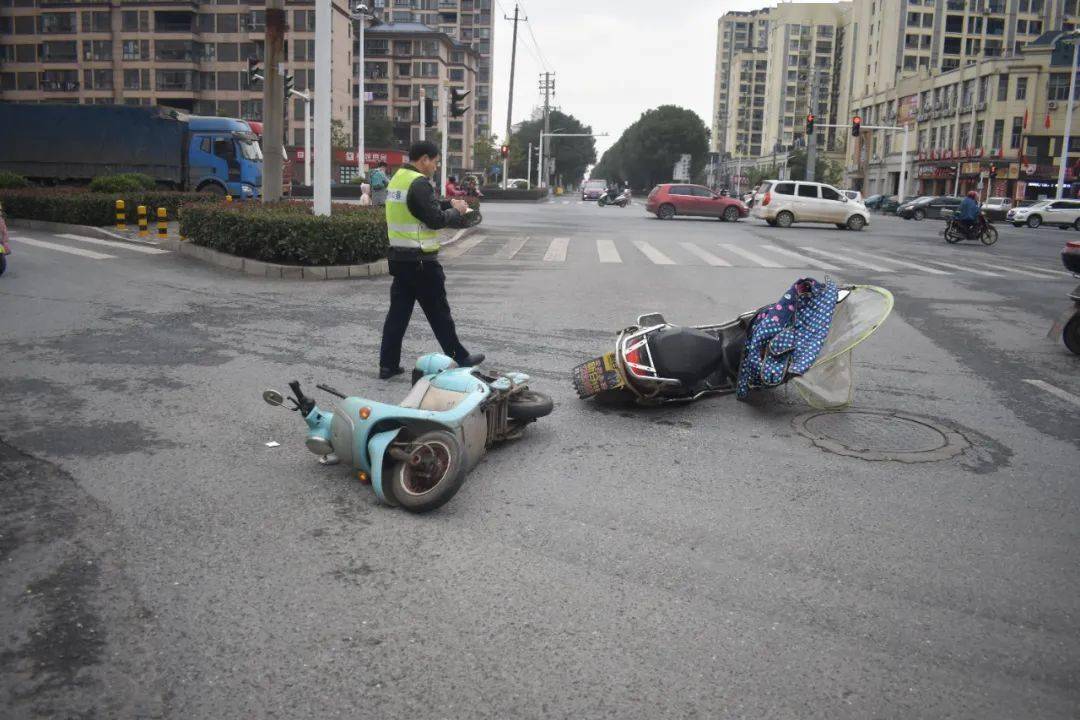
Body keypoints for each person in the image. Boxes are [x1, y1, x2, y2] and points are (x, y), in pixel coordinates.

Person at [378, 141, 484, 380]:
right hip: (421, 261)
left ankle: (388, 364)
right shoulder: (419, 183)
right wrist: (456, 212)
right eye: (435, 162)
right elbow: (435, 218)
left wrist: (450, 203)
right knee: (439, 313)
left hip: (401, 259)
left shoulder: (398, 179)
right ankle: (461, 357)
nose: (436, 167)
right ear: (424, 159)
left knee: (397, 316)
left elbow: (420, 207)